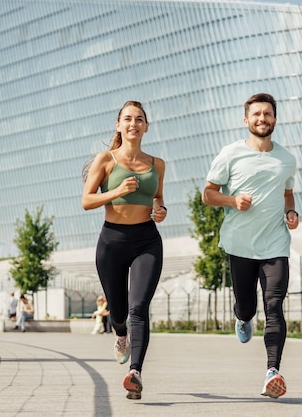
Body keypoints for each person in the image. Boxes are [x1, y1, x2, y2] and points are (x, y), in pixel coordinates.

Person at [202, 93, 298, 399]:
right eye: (256, 114)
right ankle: (243, 318)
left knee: (274, 306)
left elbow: (287, 193)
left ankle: (273, 371)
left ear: (275, 120)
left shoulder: (287, 159)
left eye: (268, 114)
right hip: (240, 245)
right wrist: (232, 200)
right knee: (247, 306)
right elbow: (207, 193)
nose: (262, 119)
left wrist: (291, 212)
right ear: (246, 120)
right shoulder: (230, 154)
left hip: (275, 245)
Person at [82, 101, 167, 400]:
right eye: (127, 119)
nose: (134, 124)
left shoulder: (157, 164)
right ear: (118, 125)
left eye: (139, 119)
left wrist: (160, 210)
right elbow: (87, 200)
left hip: (147, 241)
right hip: (112, 242)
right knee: (119, 313)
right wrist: (117, 191)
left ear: (146, 126)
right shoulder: (106, 160)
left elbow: (158, 198)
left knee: (138, 307)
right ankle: (120, 334)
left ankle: (136, 373)